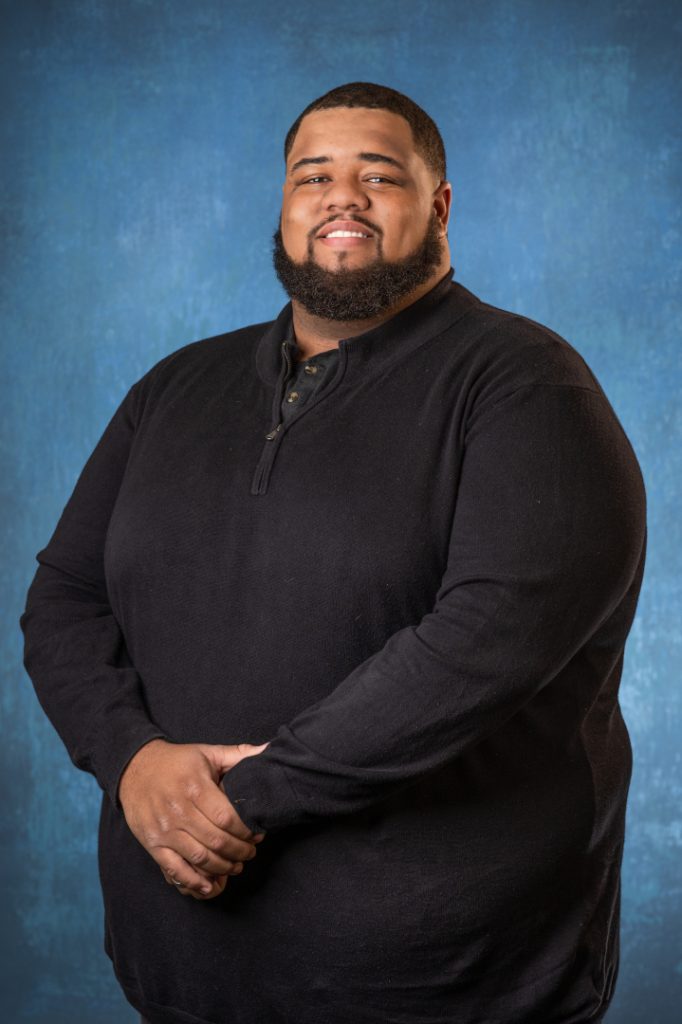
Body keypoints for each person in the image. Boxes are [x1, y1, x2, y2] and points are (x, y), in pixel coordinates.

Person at [20, 81, 646, 1024]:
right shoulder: (173, 389)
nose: (341, 196)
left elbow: (485, 644)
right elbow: (65, 597)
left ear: (440, 205)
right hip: (181, 975)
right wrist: (132, 759)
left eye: (378, 175)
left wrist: (240, 803)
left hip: (445, 985)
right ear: (283, 202)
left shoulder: (526, 387)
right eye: (312, 175)